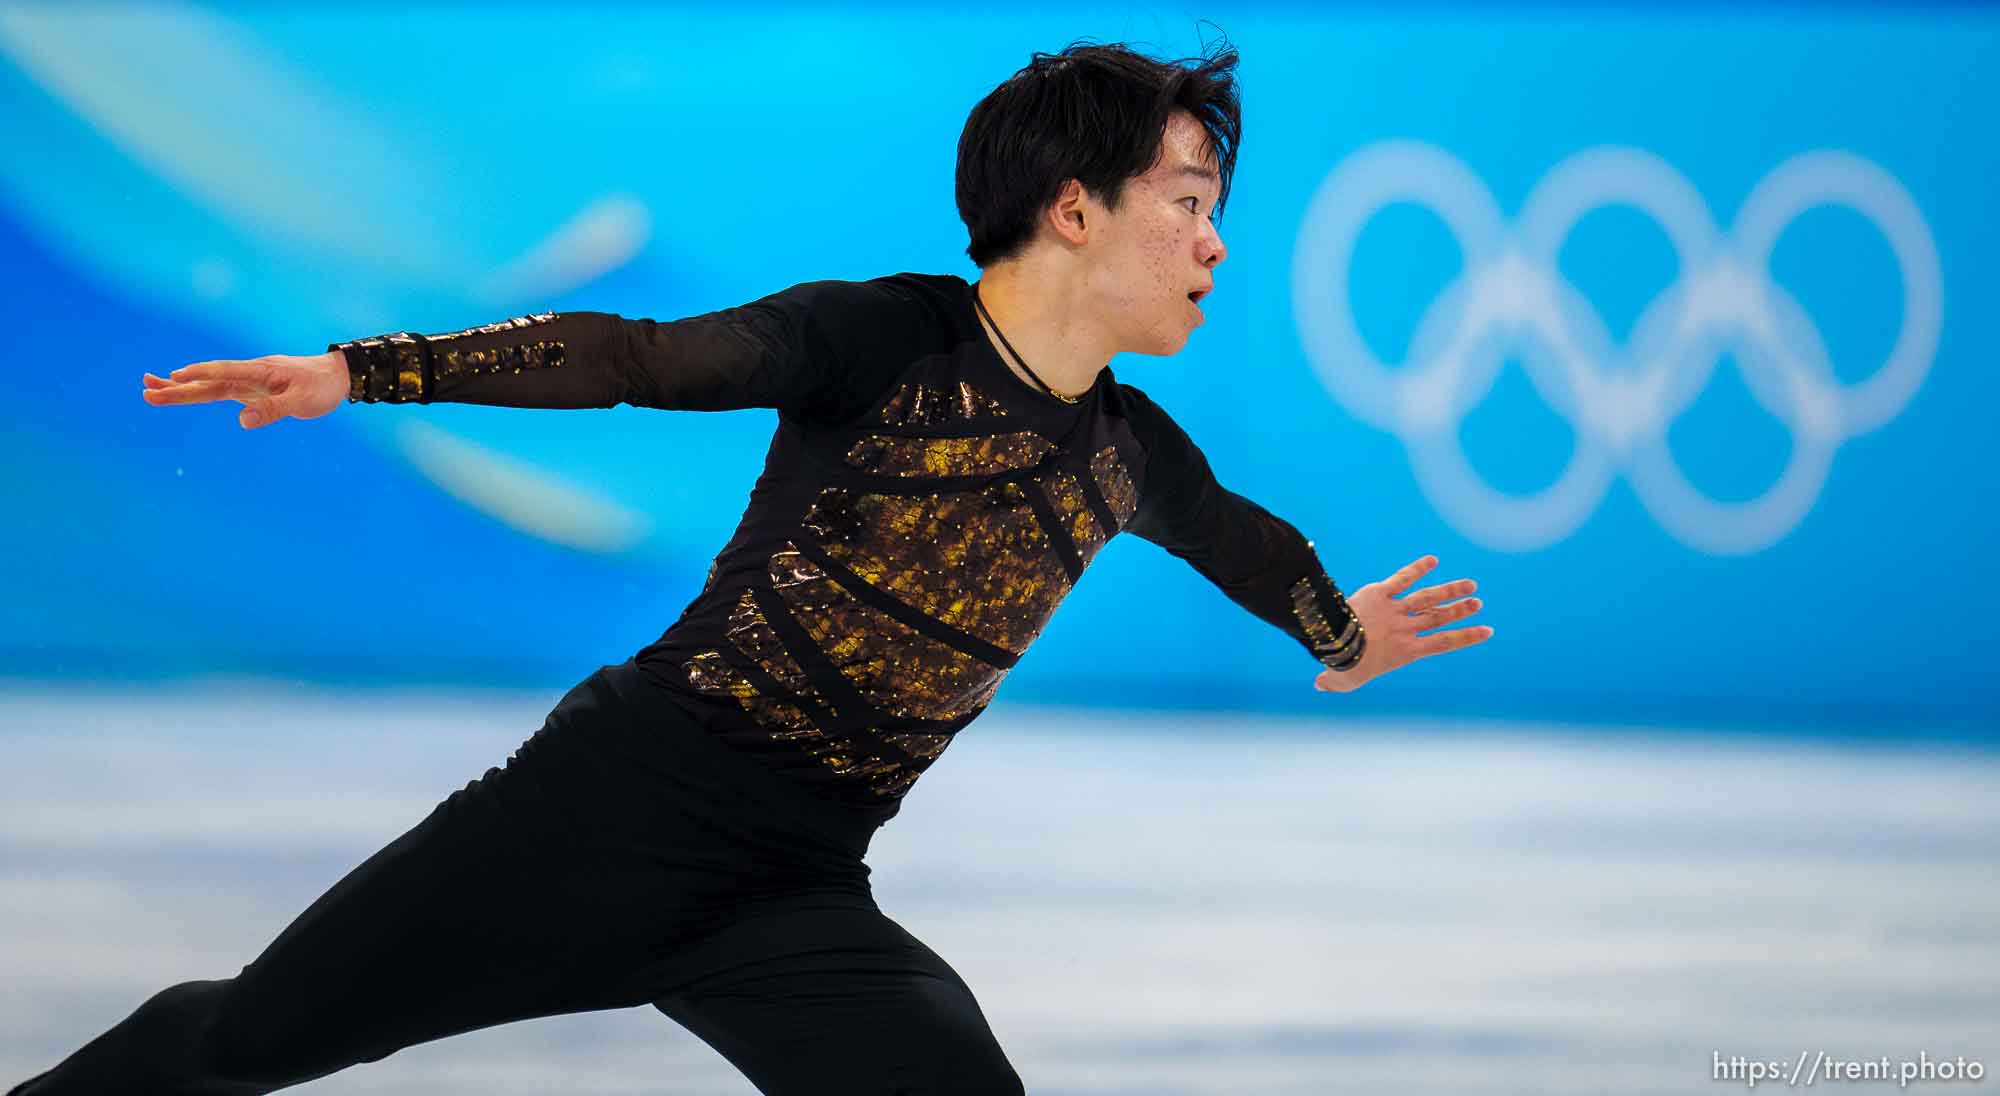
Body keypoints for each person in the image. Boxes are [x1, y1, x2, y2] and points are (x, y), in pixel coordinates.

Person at [16, 37, 1491, 1096]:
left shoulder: (1129, 450)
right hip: (596, 819)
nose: (1215, 244)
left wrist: (1337, 632)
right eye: (1188, 200)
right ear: (1072, 206)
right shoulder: (882, 336)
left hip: (789, 891)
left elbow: (1250, 545)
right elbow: (633, 358)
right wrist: (367, 370)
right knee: (243, 1046)